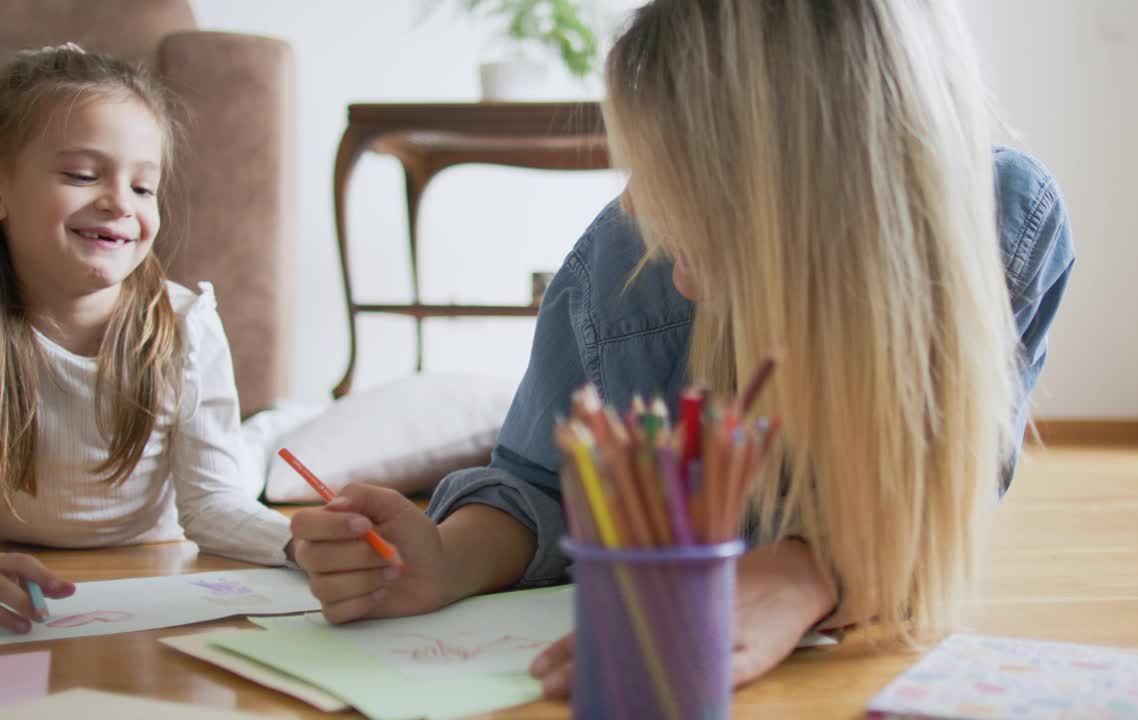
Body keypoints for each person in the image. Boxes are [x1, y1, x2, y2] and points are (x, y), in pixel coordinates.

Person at [290, 0, 1075, 694]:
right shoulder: (620, 261)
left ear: (814, 204)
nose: (681, 275)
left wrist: (809, 572)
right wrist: (447, 558)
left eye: (700, 217)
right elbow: (539, 483)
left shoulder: (1001, 227)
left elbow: (941, 499)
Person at [0, 45, 293, 633]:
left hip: (153, 563)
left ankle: (283, 424)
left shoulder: (185, 324)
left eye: (143, 187)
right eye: (83, 175)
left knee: (255, 459)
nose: (118, 203)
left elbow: (212, 505)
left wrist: (300, 541)